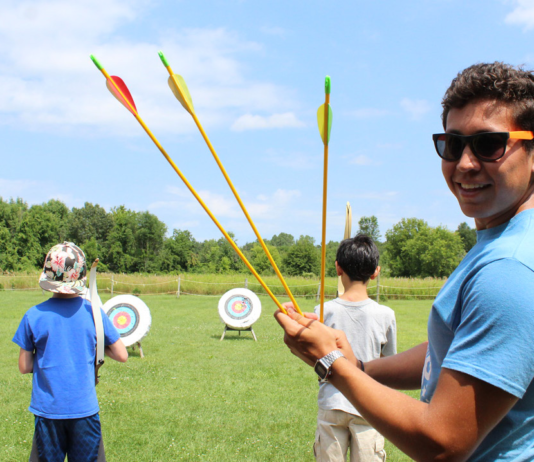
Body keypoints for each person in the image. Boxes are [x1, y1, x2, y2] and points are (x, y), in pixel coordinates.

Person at [275, 62, 534, 461]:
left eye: (489, 144)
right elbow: (452, 351)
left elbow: (443, 443)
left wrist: (330, 363)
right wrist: (359, 365)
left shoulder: (510, 268)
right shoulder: (501, 240)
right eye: (452, 144)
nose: (464, 163)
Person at [13, 242, 128, 462]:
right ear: (81, 275)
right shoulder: (93, 313)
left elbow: (24, 367)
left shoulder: (33, 315)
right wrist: (89, 344)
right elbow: (122, 354)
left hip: (48, 412)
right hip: (84, 411)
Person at [314, 234, 396, 462]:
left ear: (338, 268)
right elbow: (389, 364)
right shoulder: (386, 315)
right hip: (369, 405)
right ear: (376, 271)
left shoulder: (323, 311)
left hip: (333, 403)